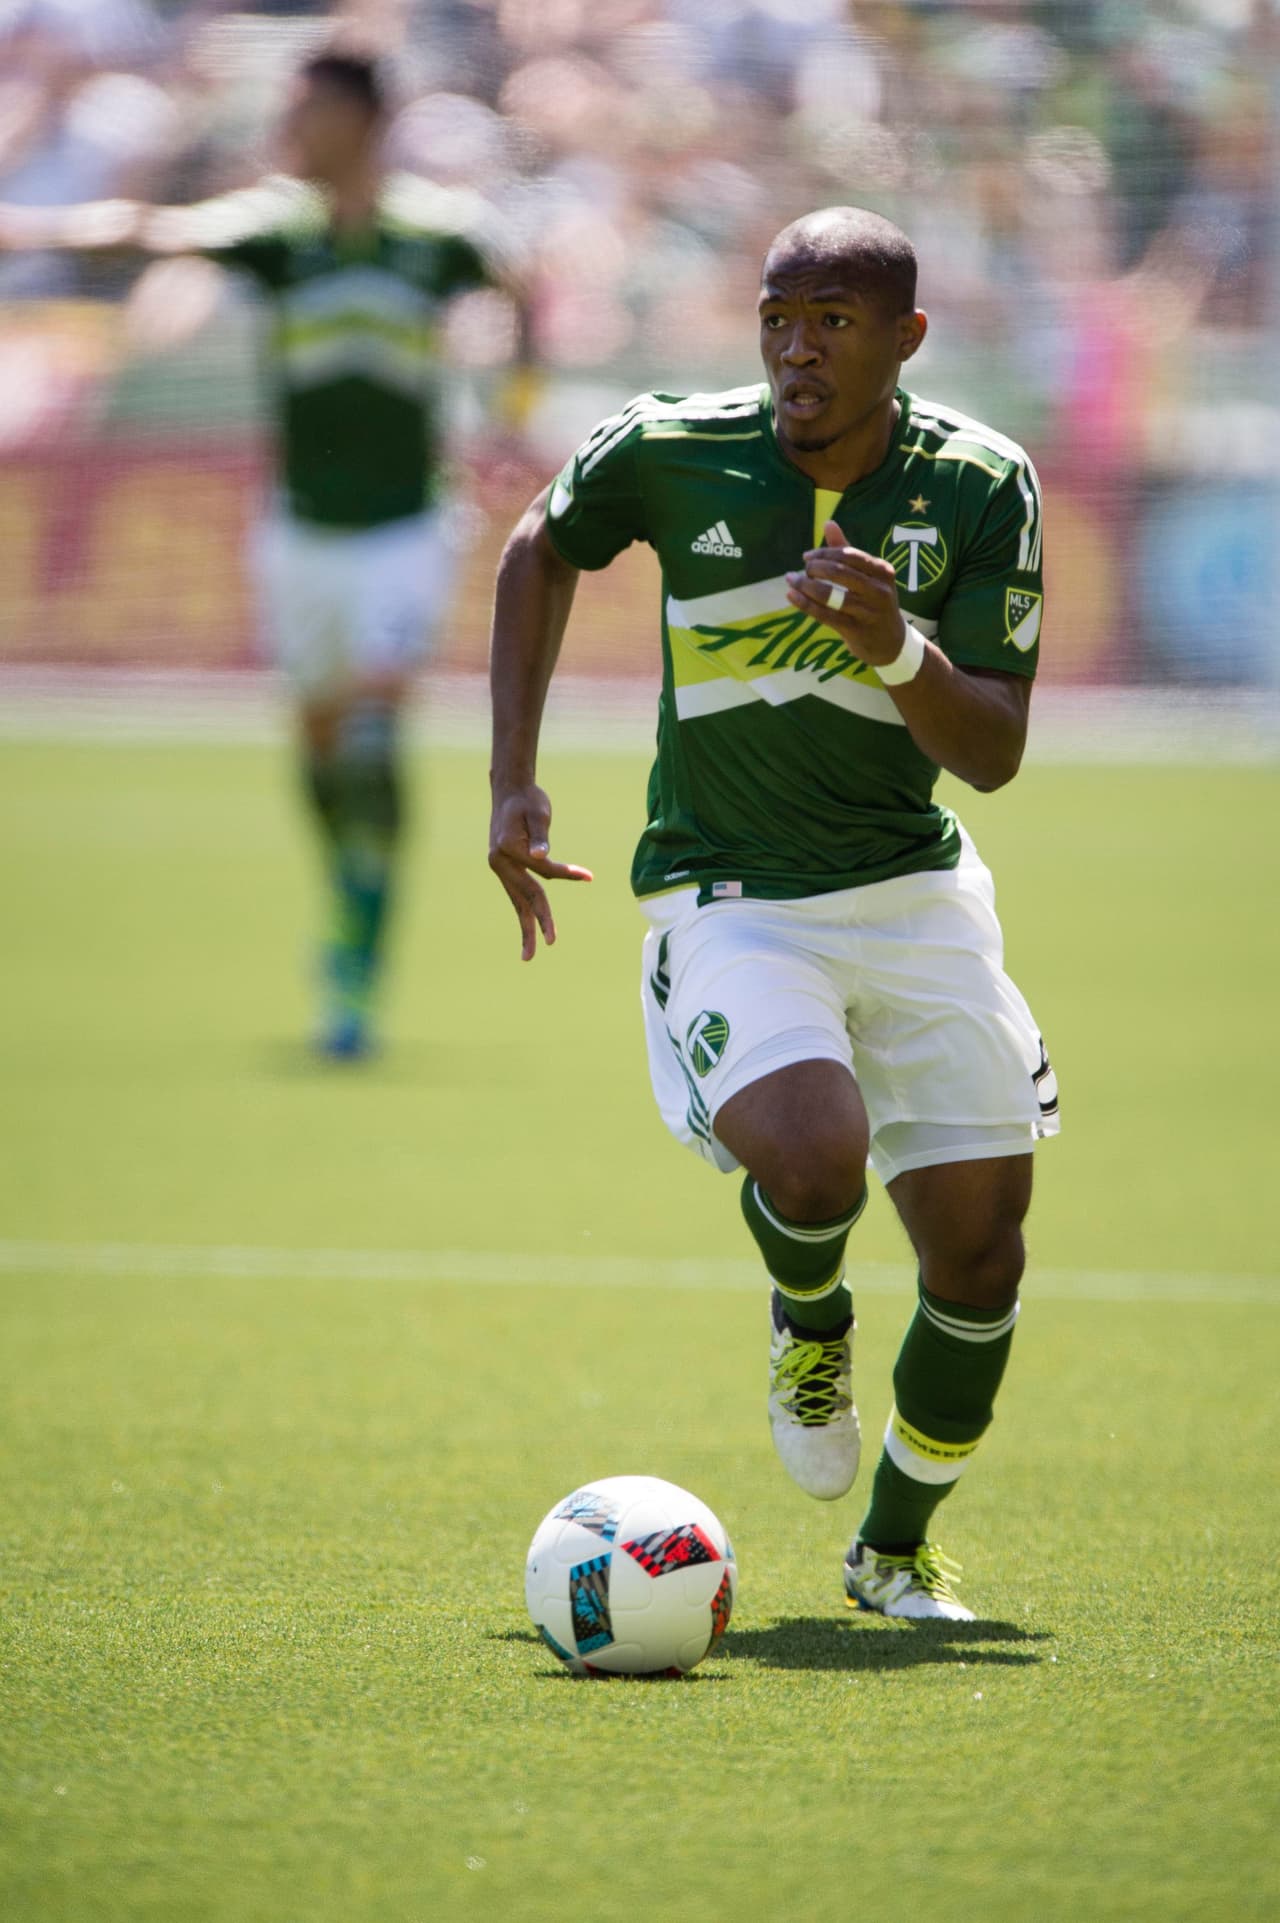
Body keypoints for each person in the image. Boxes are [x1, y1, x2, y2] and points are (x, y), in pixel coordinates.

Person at [488, 206, 1059, 1622]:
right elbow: (539, 546)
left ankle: (894, 1549)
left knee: (982, 1250)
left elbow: (988, 751)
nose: (797, 350)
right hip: (728, 890)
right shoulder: (672, 447)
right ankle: (811, 1319)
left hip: (913, 886)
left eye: (835, 322)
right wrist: (515, 780)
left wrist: (896, 644)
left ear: (907, 340)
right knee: (814, 1160)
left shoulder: (982, 484)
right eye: (778, 317)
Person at [0, 48, 522, 1057]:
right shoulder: (277, 231)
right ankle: (348, 891)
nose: (290, 129)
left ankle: (358, 967)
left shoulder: (437, 234)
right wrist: (25, 232)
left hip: (408, 527)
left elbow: (517, 282)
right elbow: (146, 234)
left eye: (307, 110)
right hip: (300, 532)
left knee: (373, 740)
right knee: (324, 761)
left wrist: (513, 406)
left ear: (364, 119)